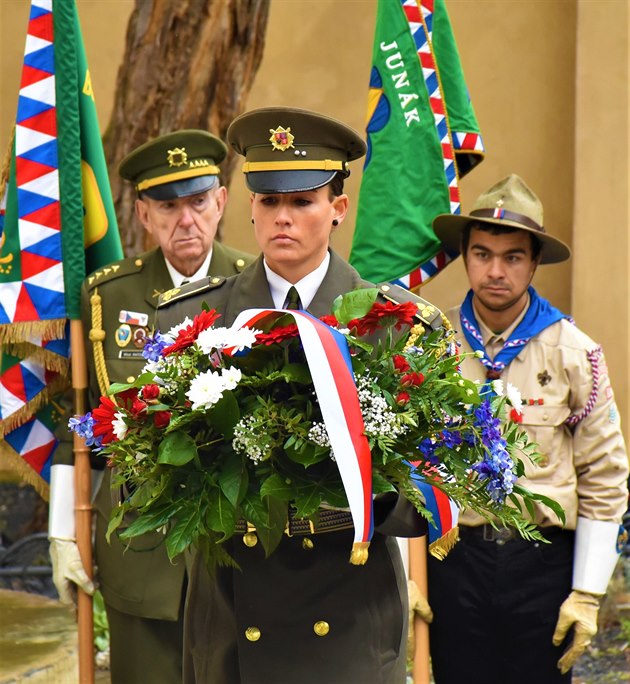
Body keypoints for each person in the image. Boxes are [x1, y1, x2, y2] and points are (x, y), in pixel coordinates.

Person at [156, 106, 442, 684]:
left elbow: (433, 490)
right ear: (250, 207)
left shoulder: (393, 324)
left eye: (302, 201)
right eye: (269, 201)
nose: (282, 217)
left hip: (348, 620)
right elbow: (147, 464)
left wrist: (370, 496)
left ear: (338, 209)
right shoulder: (195, 316)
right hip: (234, 621)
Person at [48, 129, 255, 684]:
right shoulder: (107, 296)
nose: (185, 220)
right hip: (139, 546)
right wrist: (62, 529)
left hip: (237, 547)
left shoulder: (256, 287)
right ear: (143, 214)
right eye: (168, 206)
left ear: (222, 201)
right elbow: (78, 419)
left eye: (197, 201)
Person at [427, 173, 629, 684]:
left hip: (542, 569)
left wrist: (585, 593)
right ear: (465, 256)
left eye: (513, 256)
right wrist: (406, 576)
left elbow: (605, 478)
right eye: (482, 254)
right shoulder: (431, 347)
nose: (496, 271)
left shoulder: (575, 354)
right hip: (453, 565)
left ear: (534, 262)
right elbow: (406, 466)